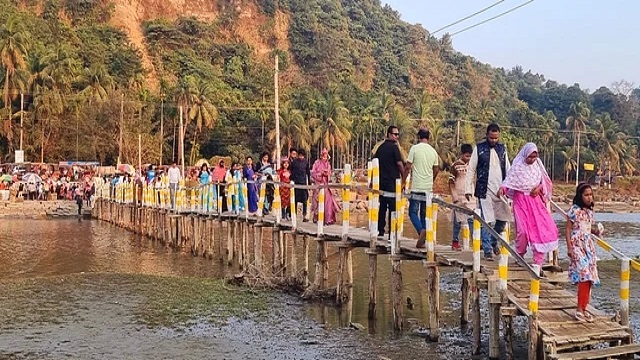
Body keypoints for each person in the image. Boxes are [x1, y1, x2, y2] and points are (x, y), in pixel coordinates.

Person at [499, 143, 558, 265]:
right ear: (525, 155)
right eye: (529, 157)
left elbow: (544, 181)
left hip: (535, 202)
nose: (531, 160)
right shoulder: (517, 166)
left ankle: (538, 261)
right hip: (520, 202)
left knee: (541, 230)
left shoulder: (537, 166)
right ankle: (519, 255)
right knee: (523, 231)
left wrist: (539, 188)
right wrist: (502, 189)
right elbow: (509, 180)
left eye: (534, 157)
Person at [465, 123, 511, 261]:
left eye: (496, 138)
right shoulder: (479, 149)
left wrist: (508, 188)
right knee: (486, 221)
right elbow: (471, 169)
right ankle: (487, 250)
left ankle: (493, 240)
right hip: (484, 190)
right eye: (491, 138)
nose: (493, 140)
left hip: (500, 191)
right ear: (487, 135)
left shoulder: (502, 149)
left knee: (503, 219)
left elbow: (508, 169)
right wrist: (468, 189)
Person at [566, 183, 601, 322]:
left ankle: (584, 307)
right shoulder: (574, 210)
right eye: (586, 195)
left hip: (588, 246)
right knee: (584, 274)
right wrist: (569, 247)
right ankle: (579, 309)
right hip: (577, 244)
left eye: (590, 195)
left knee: (590, 278)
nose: (589, 197)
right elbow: (568, 229)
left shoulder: (589, 212)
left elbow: (586, 227)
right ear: (580, 196)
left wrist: (596, 231)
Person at [404, 128, 439, 248]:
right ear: (428, 138)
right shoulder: (433, 151)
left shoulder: (414, 148)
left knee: (412, 212)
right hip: (427, 188)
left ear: (419, 137)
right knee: (424, 214)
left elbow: (408, 167)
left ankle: (420, 231)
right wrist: (431, 179)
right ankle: (423, 239)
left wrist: (403, 181)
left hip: (417, 186)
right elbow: (436, 169)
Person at [374, 126, 405, 239]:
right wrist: (404, 178)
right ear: (388, 134)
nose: (397, 136)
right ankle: (392, 232)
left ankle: (380, 231)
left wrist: (373, 180)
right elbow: (399, 164)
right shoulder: (394, 148)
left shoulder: (380, 148)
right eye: (395, 134)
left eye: (398, 134)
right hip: (392, 181)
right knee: (392, 207)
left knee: (382, 206)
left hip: (381, 181)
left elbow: (374, 164)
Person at [449, 144, 475, 251]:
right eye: (466, 156)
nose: (468, 158)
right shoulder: (455, 165)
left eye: (470, 156)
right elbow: (450, 182)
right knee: (457, 221)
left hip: (471, 195)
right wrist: (454, 195)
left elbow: (475, 179)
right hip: (458, 195)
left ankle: (476, 241)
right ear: (462, 154)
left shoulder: (473, 166)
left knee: (472, 219)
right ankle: (455, 242)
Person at [311, 148, 337, 225]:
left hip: (325, 185)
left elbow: (329, 174)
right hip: (318, 184)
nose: (324, 158)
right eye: (323, 156)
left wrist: (326, 174)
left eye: (326, 156)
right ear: (321, 156)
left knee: (328, 202)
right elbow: (313, 173)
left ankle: (328, 219)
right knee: (316, 201)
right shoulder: (316, 163)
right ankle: (316, 217)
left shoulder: (328, 165)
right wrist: (320, 174)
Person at [291, 149, 311, 221]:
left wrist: (309, 183)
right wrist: (291, 180)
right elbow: (292, 172)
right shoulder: (294, 162)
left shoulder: (306, 162)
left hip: (303, 183)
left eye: (302, 156)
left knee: (305, 200)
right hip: (296, 183)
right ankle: (294, 215)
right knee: (295, 199)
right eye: (300, 155)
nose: (301, 157)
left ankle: (304, 215)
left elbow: (308, 173)